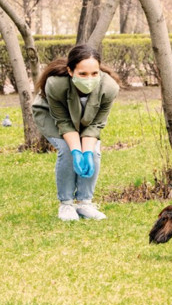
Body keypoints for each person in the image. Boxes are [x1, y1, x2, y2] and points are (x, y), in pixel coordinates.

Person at [33, 44, 120, 221]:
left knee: (93, 152)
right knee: (67, 150)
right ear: (71, 71)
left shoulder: (109, 88)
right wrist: (76, 150)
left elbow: (96, 124)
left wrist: (86, 151)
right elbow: (63, 122)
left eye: (94, 73)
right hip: (51, 117)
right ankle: (66, 204)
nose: (89, 78)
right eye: (83, 74)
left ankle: (84, 203)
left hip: (86, 120)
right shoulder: (55, 84)